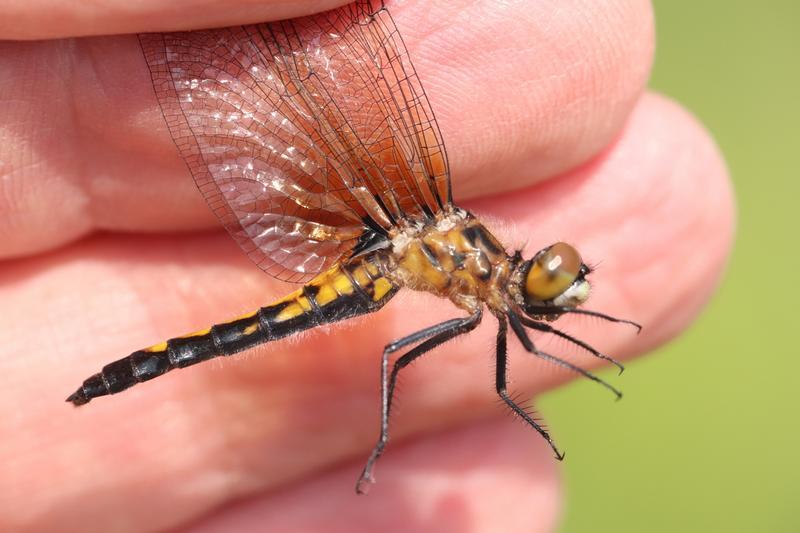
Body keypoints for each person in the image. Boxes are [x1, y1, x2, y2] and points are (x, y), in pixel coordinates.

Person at [0, 1, 734, 531]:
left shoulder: (497, 292)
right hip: (378, 258)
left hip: (385, 254)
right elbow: (480, 358)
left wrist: (591, 338)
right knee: (383, 352)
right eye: (556, 276)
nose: (558, 287)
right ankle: (124, 372)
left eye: (557, 282)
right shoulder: (475, 272)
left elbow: (533, 346)